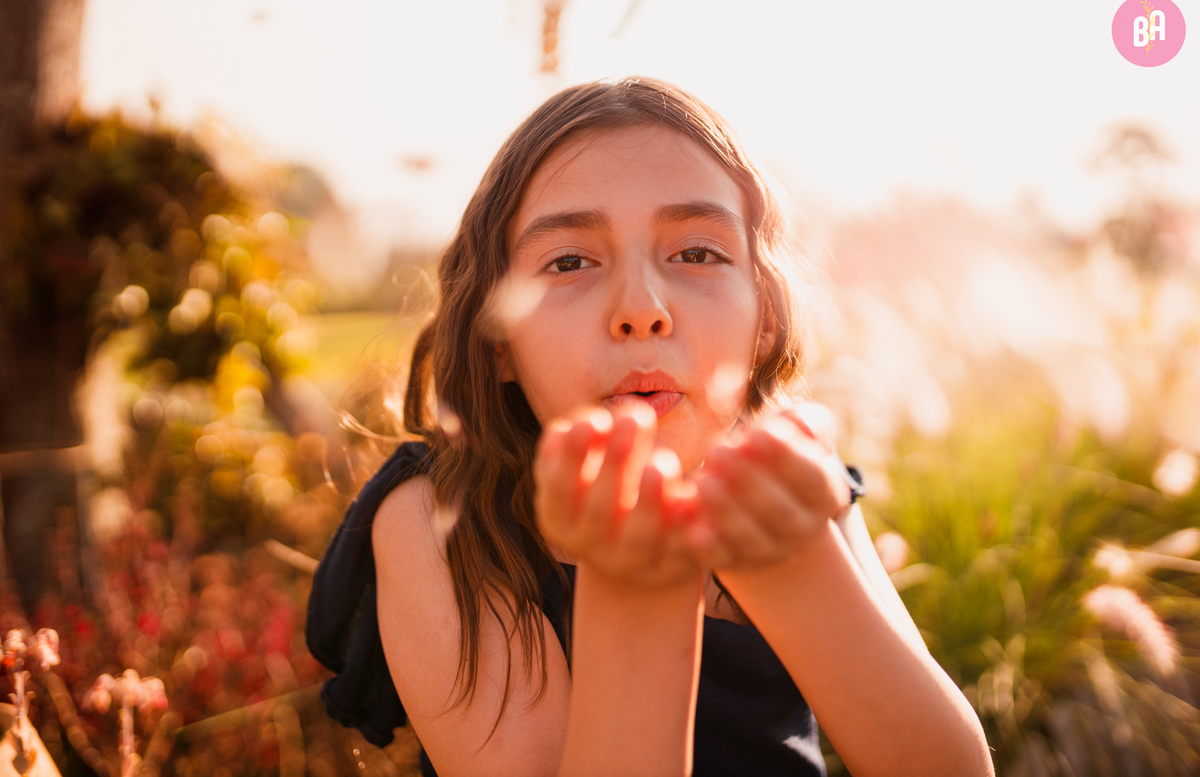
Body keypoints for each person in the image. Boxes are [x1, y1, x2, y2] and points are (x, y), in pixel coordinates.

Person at [306, 77, 993, 777]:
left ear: (764, 318)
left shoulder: (793, 488)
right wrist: (636, 590)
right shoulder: (441, 518)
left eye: (696, 254)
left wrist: (800, 569)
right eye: (570, 262)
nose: (641, 309)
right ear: (497, 340)